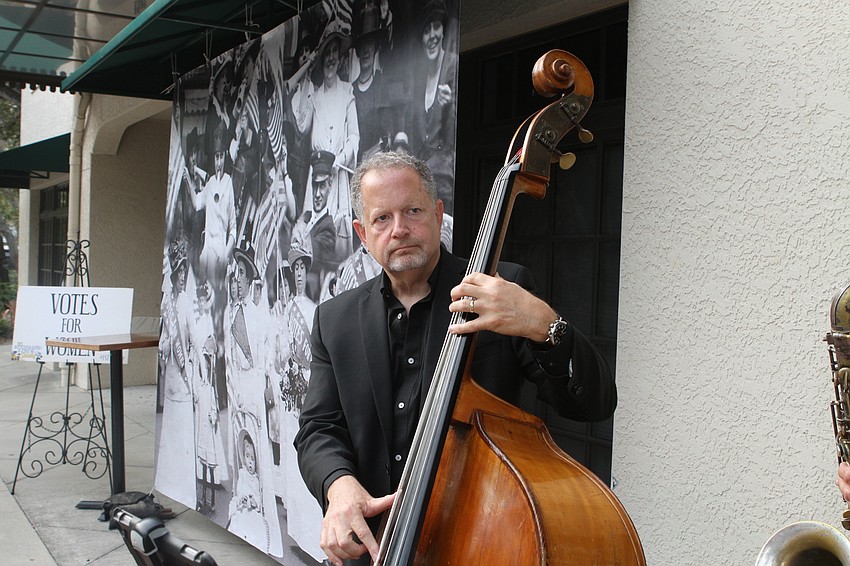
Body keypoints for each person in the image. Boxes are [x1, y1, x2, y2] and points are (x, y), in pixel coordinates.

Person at [294, 151, 617, 566]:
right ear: (361, 233)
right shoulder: (333, 319)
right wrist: (337, 485)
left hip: (479, 542)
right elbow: (318, 428)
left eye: (412, 211)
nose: (399, 230)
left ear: (437, 213)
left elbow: (594, 403)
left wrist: (543, 323)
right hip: (374, 550)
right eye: (382, 219)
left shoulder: (500, 291)